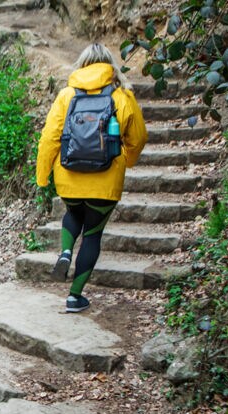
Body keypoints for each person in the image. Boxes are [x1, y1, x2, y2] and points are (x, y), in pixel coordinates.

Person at [36, 43, 148, 313]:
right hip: (106, 178)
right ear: (110, 65)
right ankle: (75, 297)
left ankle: (64, 252)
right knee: (93, 234)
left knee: (73, 213)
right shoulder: (122, 96)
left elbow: (49, 138)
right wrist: (129, 160)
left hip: (69, 176)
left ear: (82, 64)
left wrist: (42, 177)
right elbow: (139, 138)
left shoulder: (66, 95)